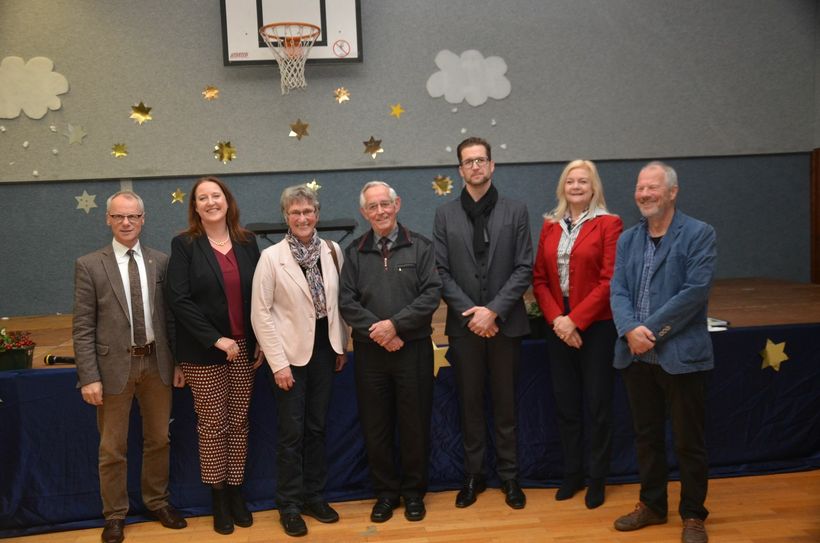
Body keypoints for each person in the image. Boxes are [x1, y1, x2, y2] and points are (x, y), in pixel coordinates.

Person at [610, 161, 716, 543]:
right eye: (640, 188)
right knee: (646, 437)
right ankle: (652, 505)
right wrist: (628, 330)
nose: (644, 194)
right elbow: (617, 290)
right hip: (635, 356)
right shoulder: (628, 239)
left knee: (689, 441)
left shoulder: (699, 234)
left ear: (672, 192)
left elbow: (695, 293)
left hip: (680, 356)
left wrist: (648, 331)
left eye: (653, 188)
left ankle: (693, 515)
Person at [73, 190, 187, 543]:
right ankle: (115, 515)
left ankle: (157, 501)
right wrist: (89, 376)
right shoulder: (90, 265)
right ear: (107, 218)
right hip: (112, 371)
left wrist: (178, 362)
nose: (126, 222)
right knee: (112, 448)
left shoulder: (161, 261)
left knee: (159, 439)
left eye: (133, 216)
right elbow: (83, 326)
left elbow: (172, 319)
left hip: (157, 364)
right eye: (119, 216)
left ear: (143, 219)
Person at [433, 137, 532, 510]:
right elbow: (440, 271)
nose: (475, 166)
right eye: (468, 162)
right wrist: (474, 315)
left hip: (505, 324)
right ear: (460, 170)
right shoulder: (445, 215)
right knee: (470, 404)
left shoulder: (516, 211)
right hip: (465, 328)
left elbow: (524, 267)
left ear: (492, 166)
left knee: (506, 405)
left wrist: (493, 311)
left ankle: (510, 476)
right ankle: (474, 475)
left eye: (481, 160)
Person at [339, 181, 442, 523]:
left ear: (397, 204)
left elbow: (430, 295)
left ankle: (414, 493)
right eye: (373, 206)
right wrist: (381, 333)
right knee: (376, 426)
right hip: (370, 355)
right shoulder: (354, 252)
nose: (380, 211)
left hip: (412, 350)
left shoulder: (421, 247)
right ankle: (385, 493)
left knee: (414, 424)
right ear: (364, 212)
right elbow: (346, 302)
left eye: (385, 204)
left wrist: (395, 326)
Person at [166, 176, 263, 535]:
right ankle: (218, 498)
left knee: (239, 423)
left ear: (227, 201)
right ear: (195, 207)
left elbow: (260, 295)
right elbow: (179, 300)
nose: (210, 202)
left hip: (245, 349)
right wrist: (216, 339)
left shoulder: (248, 241)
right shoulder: (185, 245)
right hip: (204, 353)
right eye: (202, 198)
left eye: (216, 196)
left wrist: (260, 340)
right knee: (212, 427)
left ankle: (237, 492)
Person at [250, 185, 349, 537]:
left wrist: (341, 345)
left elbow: (341, 304)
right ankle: (289, 504)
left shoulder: (334, 252)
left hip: (325, 352)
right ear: (286, 218)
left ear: (317, 215)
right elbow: (260, 314)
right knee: (291, 434)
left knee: (317, 429)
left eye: (308, 211)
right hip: (289, 358)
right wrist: (278, 363)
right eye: (296, 213)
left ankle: (314, 496)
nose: (303, 218)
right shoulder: (271, 258)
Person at [532, 159, 623, 509]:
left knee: (598, 404)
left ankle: (597, 477)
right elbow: (539, 279)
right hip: (558, 325)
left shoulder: (609, 224)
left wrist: (576, 320)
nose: (576, 186)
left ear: (594, 186)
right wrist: (558, 319)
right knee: (566, 404)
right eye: (570, 181)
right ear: (562, 187)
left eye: (583, 181)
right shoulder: (549, 225)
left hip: (596, 326)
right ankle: (573, 473)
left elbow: (610, 280)